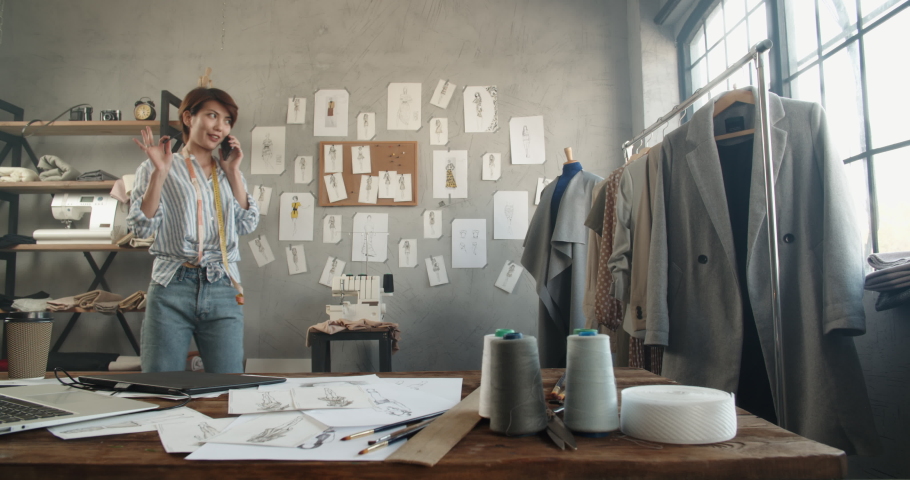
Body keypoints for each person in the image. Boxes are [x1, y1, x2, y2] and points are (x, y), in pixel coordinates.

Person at [128, 87, 259, 374]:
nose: (219, 127)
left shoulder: (227, 171)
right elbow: (141, 226)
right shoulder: (158, 166)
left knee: (227, 388)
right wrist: (159, 174)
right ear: (188, 117)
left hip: (223, 285)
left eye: (226, 120)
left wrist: (234, 172)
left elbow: (247, 224)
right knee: (161, 387)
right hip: (172, 283)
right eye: (212, 115)